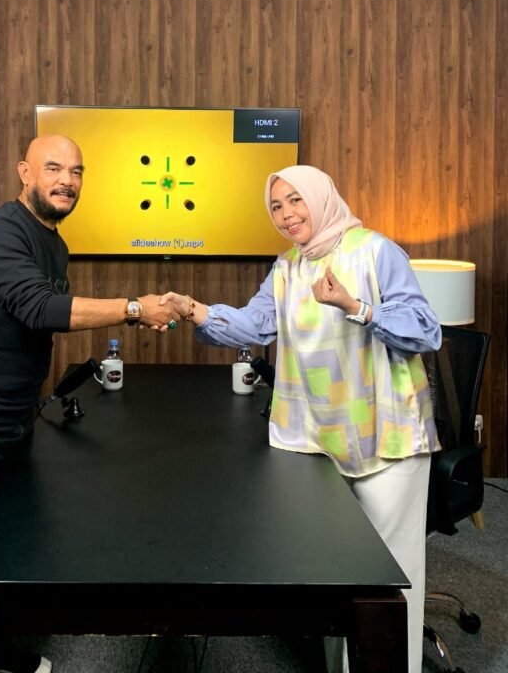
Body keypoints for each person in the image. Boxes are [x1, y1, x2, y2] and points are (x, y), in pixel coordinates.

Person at [160, 164, 440, 673]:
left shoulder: (375, 251)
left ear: (321, 197)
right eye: (276, 206)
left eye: (295, 200)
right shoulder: (288, 267)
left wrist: (355, 305)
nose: (286, 214)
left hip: (387, 435)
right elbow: (255, 325)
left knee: (390, 575)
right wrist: (193, 308)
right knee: (334, 568)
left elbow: (424, 330)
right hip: (317, 436)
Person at [0, 134, 182, 673]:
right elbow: (39, 309)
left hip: (17, 417)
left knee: (8, 548)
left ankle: (2, 656)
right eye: (54, 168)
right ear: (25, 172)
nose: (67, 181)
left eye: (76, 172)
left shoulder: (54, 243)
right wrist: (134, 308)